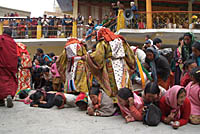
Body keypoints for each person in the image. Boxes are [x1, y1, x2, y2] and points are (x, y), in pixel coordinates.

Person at [82, 28, 136, 100]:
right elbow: (130, 54)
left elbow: (98, 56)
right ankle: (126, 99)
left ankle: (115, 101)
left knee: (112, 84)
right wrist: (131, 65)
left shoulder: (103, 43)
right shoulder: (121, 41)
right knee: (124, 82)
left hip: (110, 65)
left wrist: (88, 57)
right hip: (122, 64)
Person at [0, 28, 18, 108]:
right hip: (11, 66)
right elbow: (14, 55)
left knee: (1, 82)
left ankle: (1, 100)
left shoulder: (1, 39)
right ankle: (9, 95)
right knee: (10, 81)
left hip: (1, 65)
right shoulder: (13, 42)